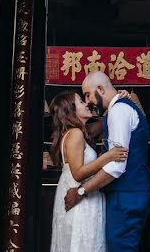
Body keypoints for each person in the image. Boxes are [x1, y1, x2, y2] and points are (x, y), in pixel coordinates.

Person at [65, 72, 150, 252]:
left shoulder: (119, 111)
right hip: (125, 194)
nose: (87, 101)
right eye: (83, 100)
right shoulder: (115, 111)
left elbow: (116, 167)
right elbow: (91, 131)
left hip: (125, 196)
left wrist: (81, 191)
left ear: (100, 89)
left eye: (87, 95)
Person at [50, 91, 128, 252]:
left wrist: (118, 101)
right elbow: (78, 173)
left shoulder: (81, 131)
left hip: (84, 196)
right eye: (80, 101)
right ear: (70, 110)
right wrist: (107, 157)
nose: (86, 103)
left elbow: (108, 121)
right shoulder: (75, 134)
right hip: (79, 199)